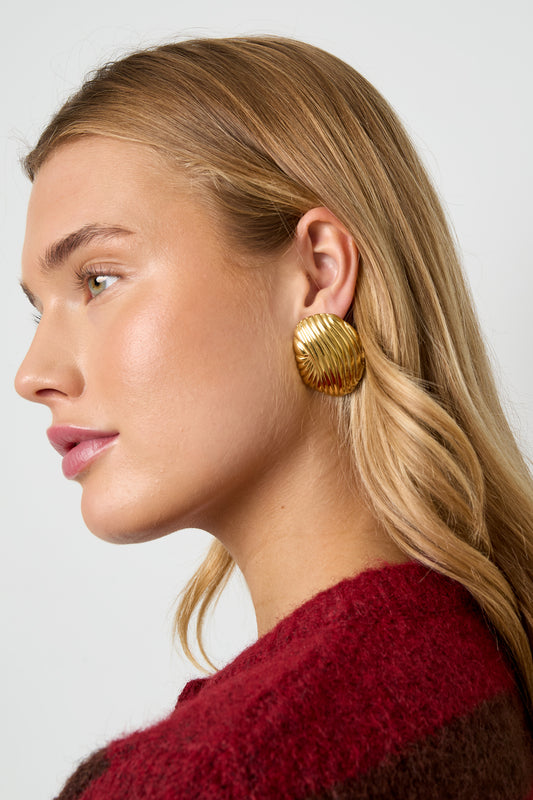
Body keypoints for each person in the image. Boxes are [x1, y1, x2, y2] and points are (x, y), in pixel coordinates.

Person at [14, 35, 533, 798]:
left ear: (318, 272)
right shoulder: (474, 669)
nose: (33, 376)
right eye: (38, 311)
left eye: (98, 280)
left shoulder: (210, 776)